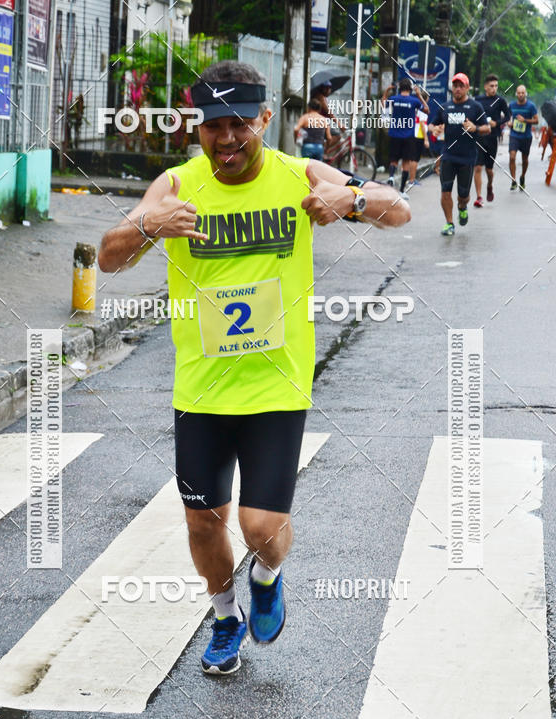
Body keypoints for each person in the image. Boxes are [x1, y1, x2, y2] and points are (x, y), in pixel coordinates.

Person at [98, 60, 410, 676]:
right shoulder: (177, 184)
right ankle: (224, 616)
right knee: (203, 521)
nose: (229, 138)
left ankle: (267, 576)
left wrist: (348, 198)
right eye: (215, 125)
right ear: (198, 125)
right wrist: (147, 225)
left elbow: (398, 209)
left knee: (261, 525)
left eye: (242, 123)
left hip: (277, 385)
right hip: (202, 388)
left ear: (267, 119)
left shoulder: (299, 174)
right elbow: (106, 258)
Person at [428, 72, 490, 236]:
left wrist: (475, 128)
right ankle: (449, 223)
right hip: (448, 155)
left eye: (461, 86)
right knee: (445, 191)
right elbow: (432, 124)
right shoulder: (445, 107)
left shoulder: (475, 107)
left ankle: (462, 207)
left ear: (467, 88)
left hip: (467, 158)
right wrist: (434, 128)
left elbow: (487, 128)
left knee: (463, 195)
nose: (457, 89)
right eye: (455, 85)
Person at [382, 78, 429, 193]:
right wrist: (419, 95)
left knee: (393, 160)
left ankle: (391, 177)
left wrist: (387, 91)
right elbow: (427, 110)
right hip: (408, 136)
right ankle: (402, 190)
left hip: (394, 134)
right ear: (410, 89)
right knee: (406, 163)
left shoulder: (393, 99)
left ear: (400, 88)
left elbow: (383, 102)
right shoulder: (414, 101)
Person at [473, 74, 510, 206]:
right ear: (485, 87)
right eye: (491, 86)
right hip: (479, 137)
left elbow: (508, 116)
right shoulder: (478, 100)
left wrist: (497, 123)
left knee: (489, 169)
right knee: (477, 167)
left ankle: (489, 185)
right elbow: (472, 116)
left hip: (492, 138)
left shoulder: (500, 100)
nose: (494, 88)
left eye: (496, 86)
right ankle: (478, 197)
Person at [508, 84, 538, 191]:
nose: (521, 95)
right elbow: (508, 118)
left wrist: (524, 120)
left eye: (523, 93)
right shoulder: (511, 105)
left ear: (526, 93)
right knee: (512, 157)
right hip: (514, 135)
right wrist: (509, 123)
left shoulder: (531, 106)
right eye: (519, 93)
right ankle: (513, 180)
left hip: (526, 136)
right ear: (516, 94)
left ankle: (522, 177)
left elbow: (536, 120)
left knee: (524, 159)